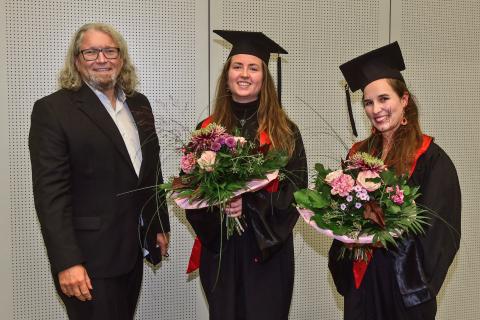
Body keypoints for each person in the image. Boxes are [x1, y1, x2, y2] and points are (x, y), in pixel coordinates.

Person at [28, 23, 170, 320]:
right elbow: (50, 196)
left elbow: (151, 170)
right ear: (77, 60)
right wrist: (67, 262)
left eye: (109, 50)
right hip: (87, 261)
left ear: (121, 58)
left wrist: (157, 224)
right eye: (91, 52)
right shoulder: (53, 110)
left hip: (131, 251)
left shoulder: (139, 104)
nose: (102, 59)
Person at [329, 42, 461, 319]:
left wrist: (393, 248)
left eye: (384, 99)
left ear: (404, 100)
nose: (376, 109)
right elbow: (340, 215)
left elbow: (440, 233)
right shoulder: (358, 155)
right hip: (362, 280)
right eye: (368, 102)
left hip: (403, 286)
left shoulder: (431, 159)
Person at [185, 30, 308, 320]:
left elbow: (297, 192)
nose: (244, 74)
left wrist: (250, 204)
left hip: (268, 252)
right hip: (222, 250)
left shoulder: (285, 131)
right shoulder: (207, 129)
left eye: (253, 68)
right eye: (237, 66)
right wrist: (219, 202)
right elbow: (189, 189)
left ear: (264, 78)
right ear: (227, 75)